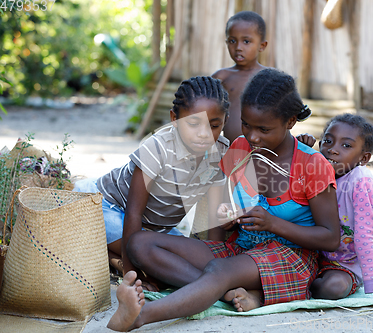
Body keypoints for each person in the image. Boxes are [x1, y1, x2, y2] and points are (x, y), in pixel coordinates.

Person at [107, 68, 341, 332]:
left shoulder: (313, 165)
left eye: (264, 129)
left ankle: (141, 316)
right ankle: (225, 290)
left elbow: (331, 237)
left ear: (290, 122)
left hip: (290, 256)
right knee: (140, 244)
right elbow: (217, 214)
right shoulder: (239, 149)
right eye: (246, 125)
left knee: (219, 270)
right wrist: (225, 222)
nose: (252, 137)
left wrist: (273, 224)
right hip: (240, 250)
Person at [73, 76, 230, 287]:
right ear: (174, 118)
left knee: (178, 262)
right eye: (193, 124)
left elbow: (213, 218)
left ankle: (113, 258)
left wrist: (215, 263)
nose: (204, 134)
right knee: (155, 261)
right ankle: (122, 263)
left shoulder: (219, 151)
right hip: (104, 207)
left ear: (224, 122)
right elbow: (133, 214)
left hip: (153, 230)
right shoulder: (157, 149)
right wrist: (134, 276)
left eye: (214, 125)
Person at [304, 113, 373, 301]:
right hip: (308, 255)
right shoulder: (313, 169)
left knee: (334, 288)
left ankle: (302, 287)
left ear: (364, 158)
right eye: (328, 141)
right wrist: (302, 151)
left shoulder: (360, 181)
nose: (333, 150)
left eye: (346, 145)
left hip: (343, 264)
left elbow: (364, 237)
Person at [212, 11, 268, 143]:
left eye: (246, 41)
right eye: (232, 41)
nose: (238, 47)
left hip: (262, 151)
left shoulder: (270, 78)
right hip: (228, 150)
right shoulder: (221, 77)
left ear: (262, 45)